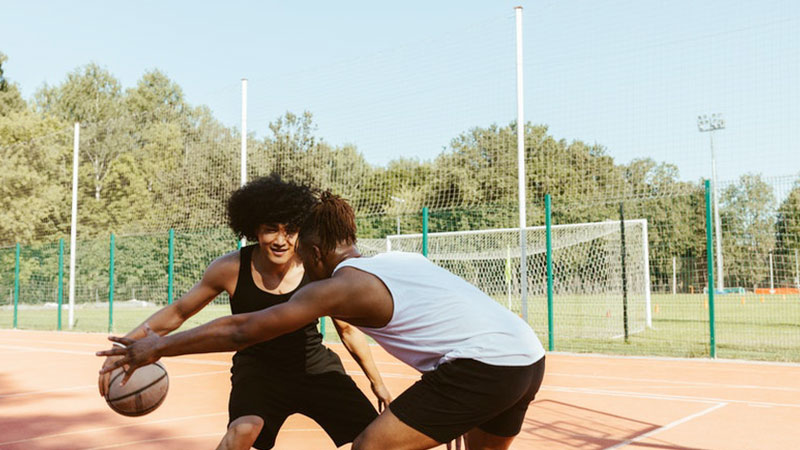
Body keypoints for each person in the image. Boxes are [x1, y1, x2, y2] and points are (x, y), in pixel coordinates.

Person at [98, 190, 546, 450]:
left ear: (312, 252)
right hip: (526, 358)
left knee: (370, 446)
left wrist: (154, 346)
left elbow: (243, 328)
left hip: (480, 369)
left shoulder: (336, 287)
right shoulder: (397, 260)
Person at [97, 176, 389, 450]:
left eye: (291, 230)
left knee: (375, 436)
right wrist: (125, 347)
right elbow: (178, 312)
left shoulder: (314, 267)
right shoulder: (230, 268)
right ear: (253, 229)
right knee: (242, 431)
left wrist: (377, 382)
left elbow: (347, 329)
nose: (280, 239)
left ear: (303, 232)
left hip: (313, 365)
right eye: (270, 228)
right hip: (257, 370)